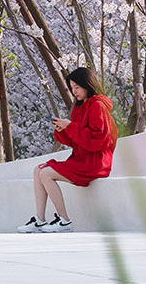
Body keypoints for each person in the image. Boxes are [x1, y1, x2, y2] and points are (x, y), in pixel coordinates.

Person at [19, 67, 117, 233]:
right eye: (72, 88)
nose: (74, 91)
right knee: (38, 170)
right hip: (81, 158)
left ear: (88, 84)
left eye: (77, 87)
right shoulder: (80, 107)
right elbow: (75, 140)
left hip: (95, 162)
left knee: (46, 173)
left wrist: (70, 126)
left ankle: (64, 220)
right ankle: (40, 220)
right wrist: (62, 129)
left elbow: (99, 139)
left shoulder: (97, 106)